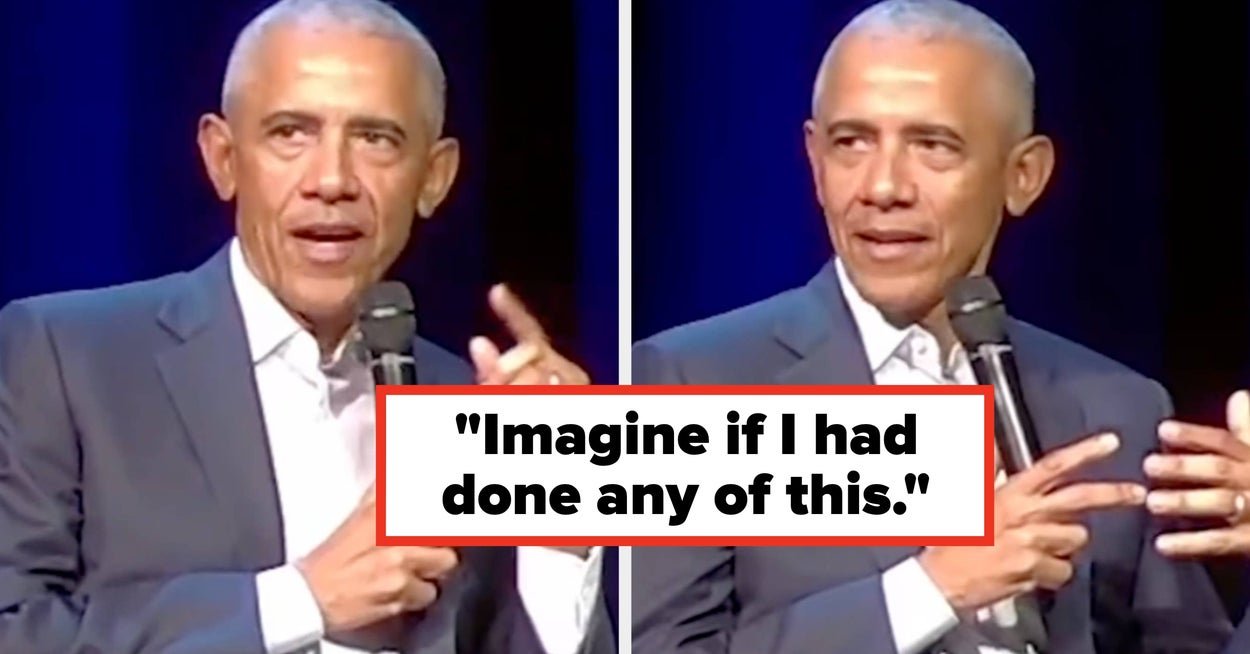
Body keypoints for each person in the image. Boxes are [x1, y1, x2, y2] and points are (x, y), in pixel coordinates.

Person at [0, 0, 612, 653]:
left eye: (376, 139)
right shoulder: (68, 358)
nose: (332, 180)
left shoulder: (466, 404)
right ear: (223, 158)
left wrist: (560, 525)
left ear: (434, 178)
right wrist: (302, 600)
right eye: (291, 133)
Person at [631, 1, 1231, 652]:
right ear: (814, 160)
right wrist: (932, 588)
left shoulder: (1120, 407)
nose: (883, 186)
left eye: (932, 146)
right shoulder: (694, 381)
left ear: (1023, 175)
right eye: (851, 143)